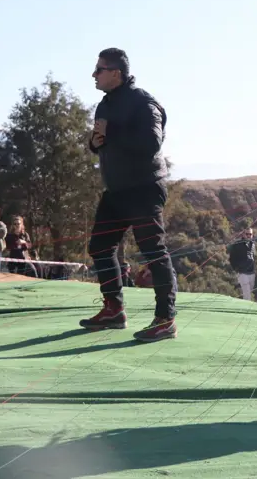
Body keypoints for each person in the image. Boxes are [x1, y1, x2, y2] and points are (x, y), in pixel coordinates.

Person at [78, 47, 178, 343]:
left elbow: (151, 143)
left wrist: (112, 136)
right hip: (117, 191)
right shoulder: (104, 105)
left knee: (154, 253)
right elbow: (102, 142)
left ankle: (165, 319)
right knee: (99, 247)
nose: (93, 75)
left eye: (98, 69)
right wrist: (94, 143)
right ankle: (114, 310)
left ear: (115, 73)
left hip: (144, 189)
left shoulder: (143, 102)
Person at [228, 228, 257, 301]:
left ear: (252, 235)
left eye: (250, 234)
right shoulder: (237, 244)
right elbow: (232, 258)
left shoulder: (253, 245)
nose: (248, 236)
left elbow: (253, 256)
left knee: (249, 291)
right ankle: (247, 309)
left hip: (252, 272)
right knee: (247, 293)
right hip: (242, 272)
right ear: (243, 234)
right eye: (247, 234)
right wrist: (236, 269)